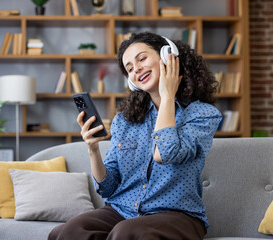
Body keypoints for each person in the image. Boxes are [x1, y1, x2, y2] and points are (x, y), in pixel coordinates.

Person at [48, 31, 223, 240]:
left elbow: (165, 153)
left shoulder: (202, 114)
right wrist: (92, 149)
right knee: (69, 230)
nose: (136, 69)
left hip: (176, 215)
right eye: (130, 68)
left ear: (168, 56)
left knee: (128, 231)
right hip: (123, 210)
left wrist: (167, 95)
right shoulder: (125, 120)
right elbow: (107, 187)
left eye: (142, 59)